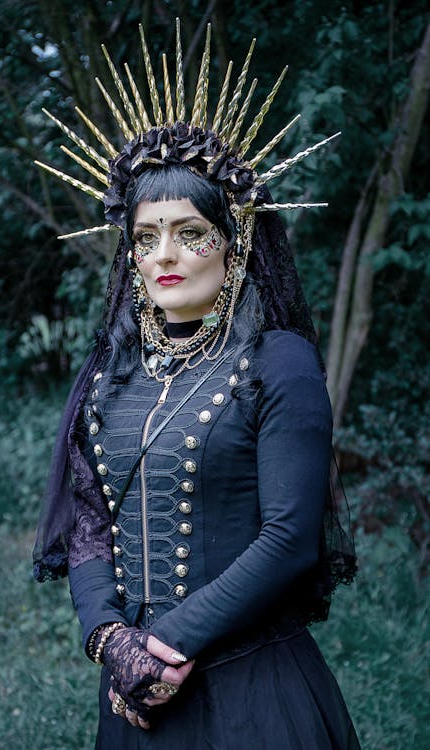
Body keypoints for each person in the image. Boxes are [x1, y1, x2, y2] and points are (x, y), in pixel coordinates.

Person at [33, 21, 360, 749]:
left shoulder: (280, 362)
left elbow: (289, 537)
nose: (165, 256)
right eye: (146, 238)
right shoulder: (112, 374)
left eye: (190, 232)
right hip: (133, 703)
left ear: (234, 242)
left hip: (251, 695)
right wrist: (110, 641)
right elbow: (86, 527)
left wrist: (164, 645)